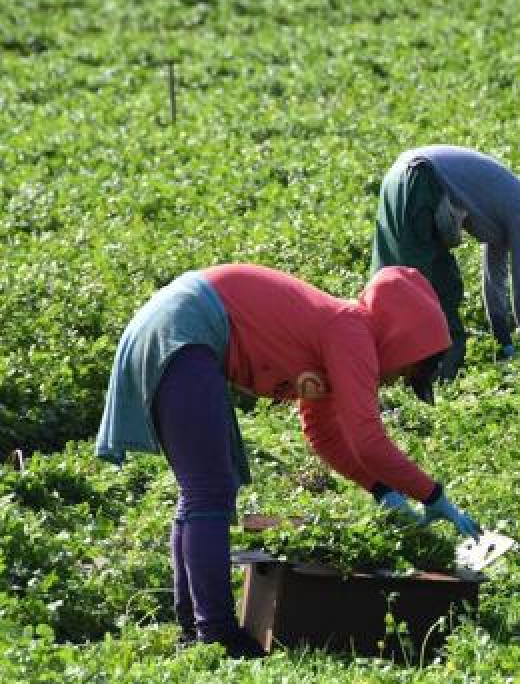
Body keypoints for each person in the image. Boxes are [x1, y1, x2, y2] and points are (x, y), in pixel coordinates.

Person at [96, 264, 483, 657]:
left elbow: (325, 434)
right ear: (403, 341)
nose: (398, 380)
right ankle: (215, 634)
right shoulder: (352, 332)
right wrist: (431, 494)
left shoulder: (340, 335)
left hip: (172, 325)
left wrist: (382, 489)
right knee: (209, 492)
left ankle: (193, 628)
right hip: (183, 328)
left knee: (205, 491)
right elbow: (368, 440)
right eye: (410, 370)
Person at [371, 144, 520, 379]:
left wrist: (504, 342)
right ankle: (411, 376)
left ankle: (426, 375)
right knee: (412, 291)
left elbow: (493, 282)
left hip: (401, 175)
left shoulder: (507, 205)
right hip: (420, 181)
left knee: (436, 285)